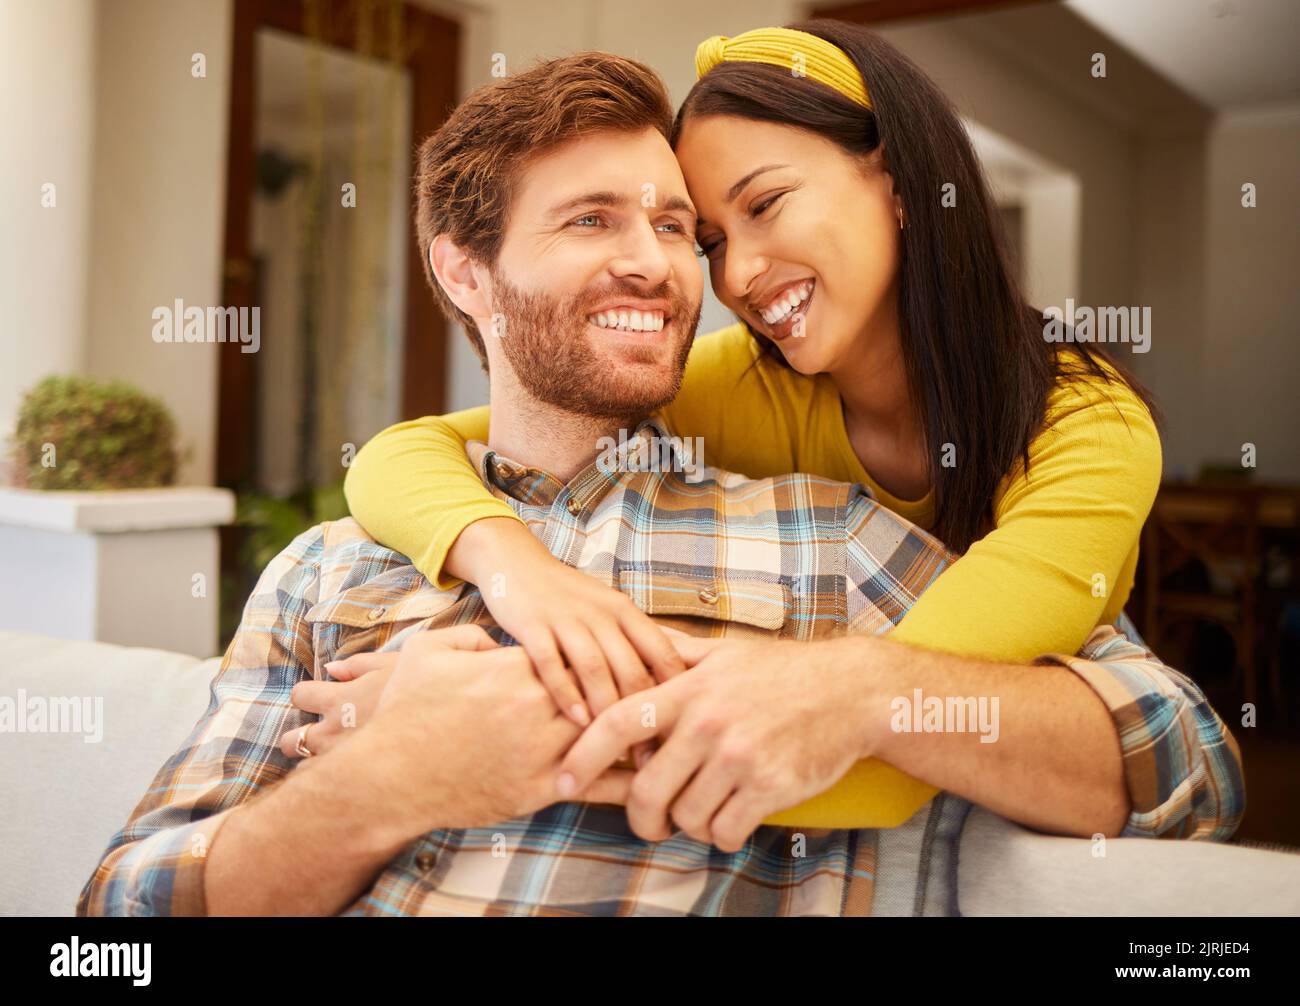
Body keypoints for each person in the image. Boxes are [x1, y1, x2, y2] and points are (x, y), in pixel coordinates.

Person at [77, 50, 1240, 918]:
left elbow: (1185, 755)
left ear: (894, 185)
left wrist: (547, 712)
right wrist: (389, 774)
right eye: (595, 218)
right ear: (462, 271)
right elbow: (103, 938)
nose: (676, 263)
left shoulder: (836, 537)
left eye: (677, 225)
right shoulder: (331, 572)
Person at [343, 21, 1166, 828]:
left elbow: (889, 748)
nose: (736, 276)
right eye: (707, 240)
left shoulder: (1089, 427)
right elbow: (413, 449)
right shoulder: (739, 382)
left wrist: (467, 735)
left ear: (900, 181)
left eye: (766, 204)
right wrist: (517, 567)